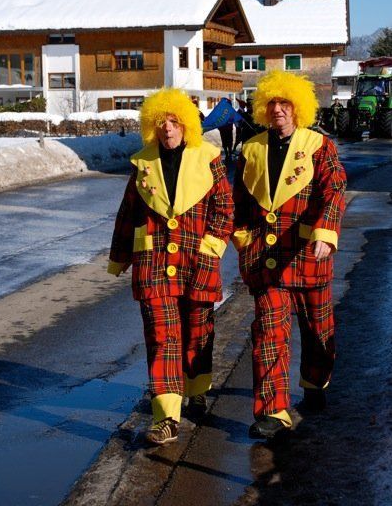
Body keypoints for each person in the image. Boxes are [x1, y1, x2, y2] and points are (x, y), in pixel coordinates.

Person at [108, 88, 234, 445]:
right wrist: (120, 256)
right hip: (153, 264)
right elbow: (128, 213)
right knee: (161, 337)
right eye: (161, 122)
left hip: (198, 261)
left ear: (186, 125)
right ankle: (165, 416)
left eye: (174, 121)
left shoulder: (208, 158)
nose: (167, 128)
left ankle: (196, 389)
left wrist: (211, 247)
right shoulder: (143, 163)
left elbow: (224, 208)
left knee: (198, 332)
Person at [232, 70, 347, 440]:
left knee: (318, 330)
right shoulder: (251, 149)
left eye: (285, 103)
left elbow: (334, 190)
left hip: (309, 255)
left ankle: (315, 382)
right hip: (266, 260)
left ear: (298, 107)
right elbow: (239, 201)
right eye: (272, 103)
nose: (278, 109)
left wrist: (326, 231)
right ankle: (273, 410)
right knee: (269, 333)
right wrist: (241, 236)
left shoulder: (319, 145)